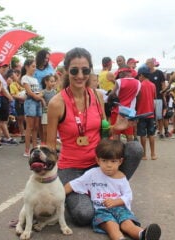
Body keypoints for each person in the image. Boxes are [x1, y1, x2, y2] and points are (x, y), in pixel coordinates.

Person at [46, 47, 143, 227]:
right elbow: (50, 146)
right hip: (71, 169)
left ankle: (108, 191)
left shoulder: (97, 96)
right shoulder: (56, 103)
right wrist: (47, 184)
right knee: (84, 215)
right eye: (74, 70)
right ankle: (92, 198)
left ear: (90, 70)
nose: (80, 75)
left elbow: (103, 133)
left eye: (85, 70)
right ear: (67, 71)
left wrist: (116, 129)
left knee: (135, 149)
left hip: (98, 164)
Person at [64, 139, 161, 240]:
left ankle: (142, 234)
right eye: (104, 161)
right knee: (112, 226)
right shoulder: (92, 174)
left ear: (120, 161)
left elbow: (128, 196)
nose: (109, 165)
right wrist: (58, 197)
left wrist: (116, 202)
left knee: (127, 224)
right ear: (98, 160)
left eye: (113, 161)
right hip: (101, 211)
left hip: (120, 209)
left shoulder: (121, 177)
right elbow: (73, 184)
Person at [21, 58, 45, 157]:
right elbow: (29, 92)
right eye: (33, 66)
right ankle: (27, 150)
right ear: (27, 67)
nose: (35, 69)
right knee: (29, 127)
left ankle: (35, 148)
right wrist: (40, 98)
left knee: (35, 127)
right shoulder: (25, 78)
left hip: (37, 102)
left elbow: (39, 91)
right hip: (31, 102)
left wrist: (40, 97)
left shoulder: (35, 79)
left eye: (35, 67)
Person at [135, 66, 157, 160]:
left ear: (142, 75)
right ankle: (153, 154)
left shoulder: (139, 85)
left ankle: (144, 155)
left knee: (142, 135)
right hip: (150, 113)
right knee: (151, 134)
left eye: (139, 75)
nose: (139, 77)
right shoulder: (153, 85)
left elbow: (137, 99)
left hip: (141, 113)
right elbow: (154, 98)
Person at [145, 58, 167, 139]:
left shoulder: (159, 73)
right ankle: (149, 132)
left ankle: (161, 132)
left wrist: (163, 94)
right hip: (149, 99)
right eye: (146, 64)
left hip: (158, 98)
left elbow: (163, 84)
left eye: (148, 63)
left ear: (152, 63)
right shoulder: (146, 74)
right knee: (149, 117)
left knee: (159, 116)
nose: (147, 65)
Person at [41, 74, 57, 144]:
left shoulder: (55, 92)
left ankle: (52, 145)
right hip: (45, 113)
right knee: (45, 131)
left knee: (53, 131)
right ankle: (44, 144)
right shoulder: (43, 92)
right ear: (46, 82)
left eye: (54, 81)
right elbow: (38, 96)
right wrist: (42, 99)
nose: (53, 83)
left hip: (53, 114)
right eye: (51, 81)